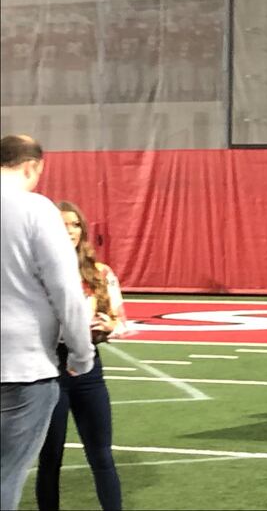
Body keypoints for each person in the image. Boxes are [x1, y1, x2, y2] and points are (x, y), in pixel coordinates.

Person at [1, 136, 93, 511]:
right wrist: (81, 352)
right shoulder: (35, 209)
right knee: (6, 475)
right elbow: (65, 289)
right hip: (23, 366)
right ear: (32, 166)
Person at [35, 201, 125, 511]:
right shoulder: (37, 272)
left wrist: (107, 325)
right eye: (63, 225)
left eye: (75, 225)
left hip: (89, 368)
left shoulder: (100, 272)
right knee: (50, 457)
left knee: (101, 455)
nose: (70, 231)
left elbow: (118, 319)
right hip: (50, 367)